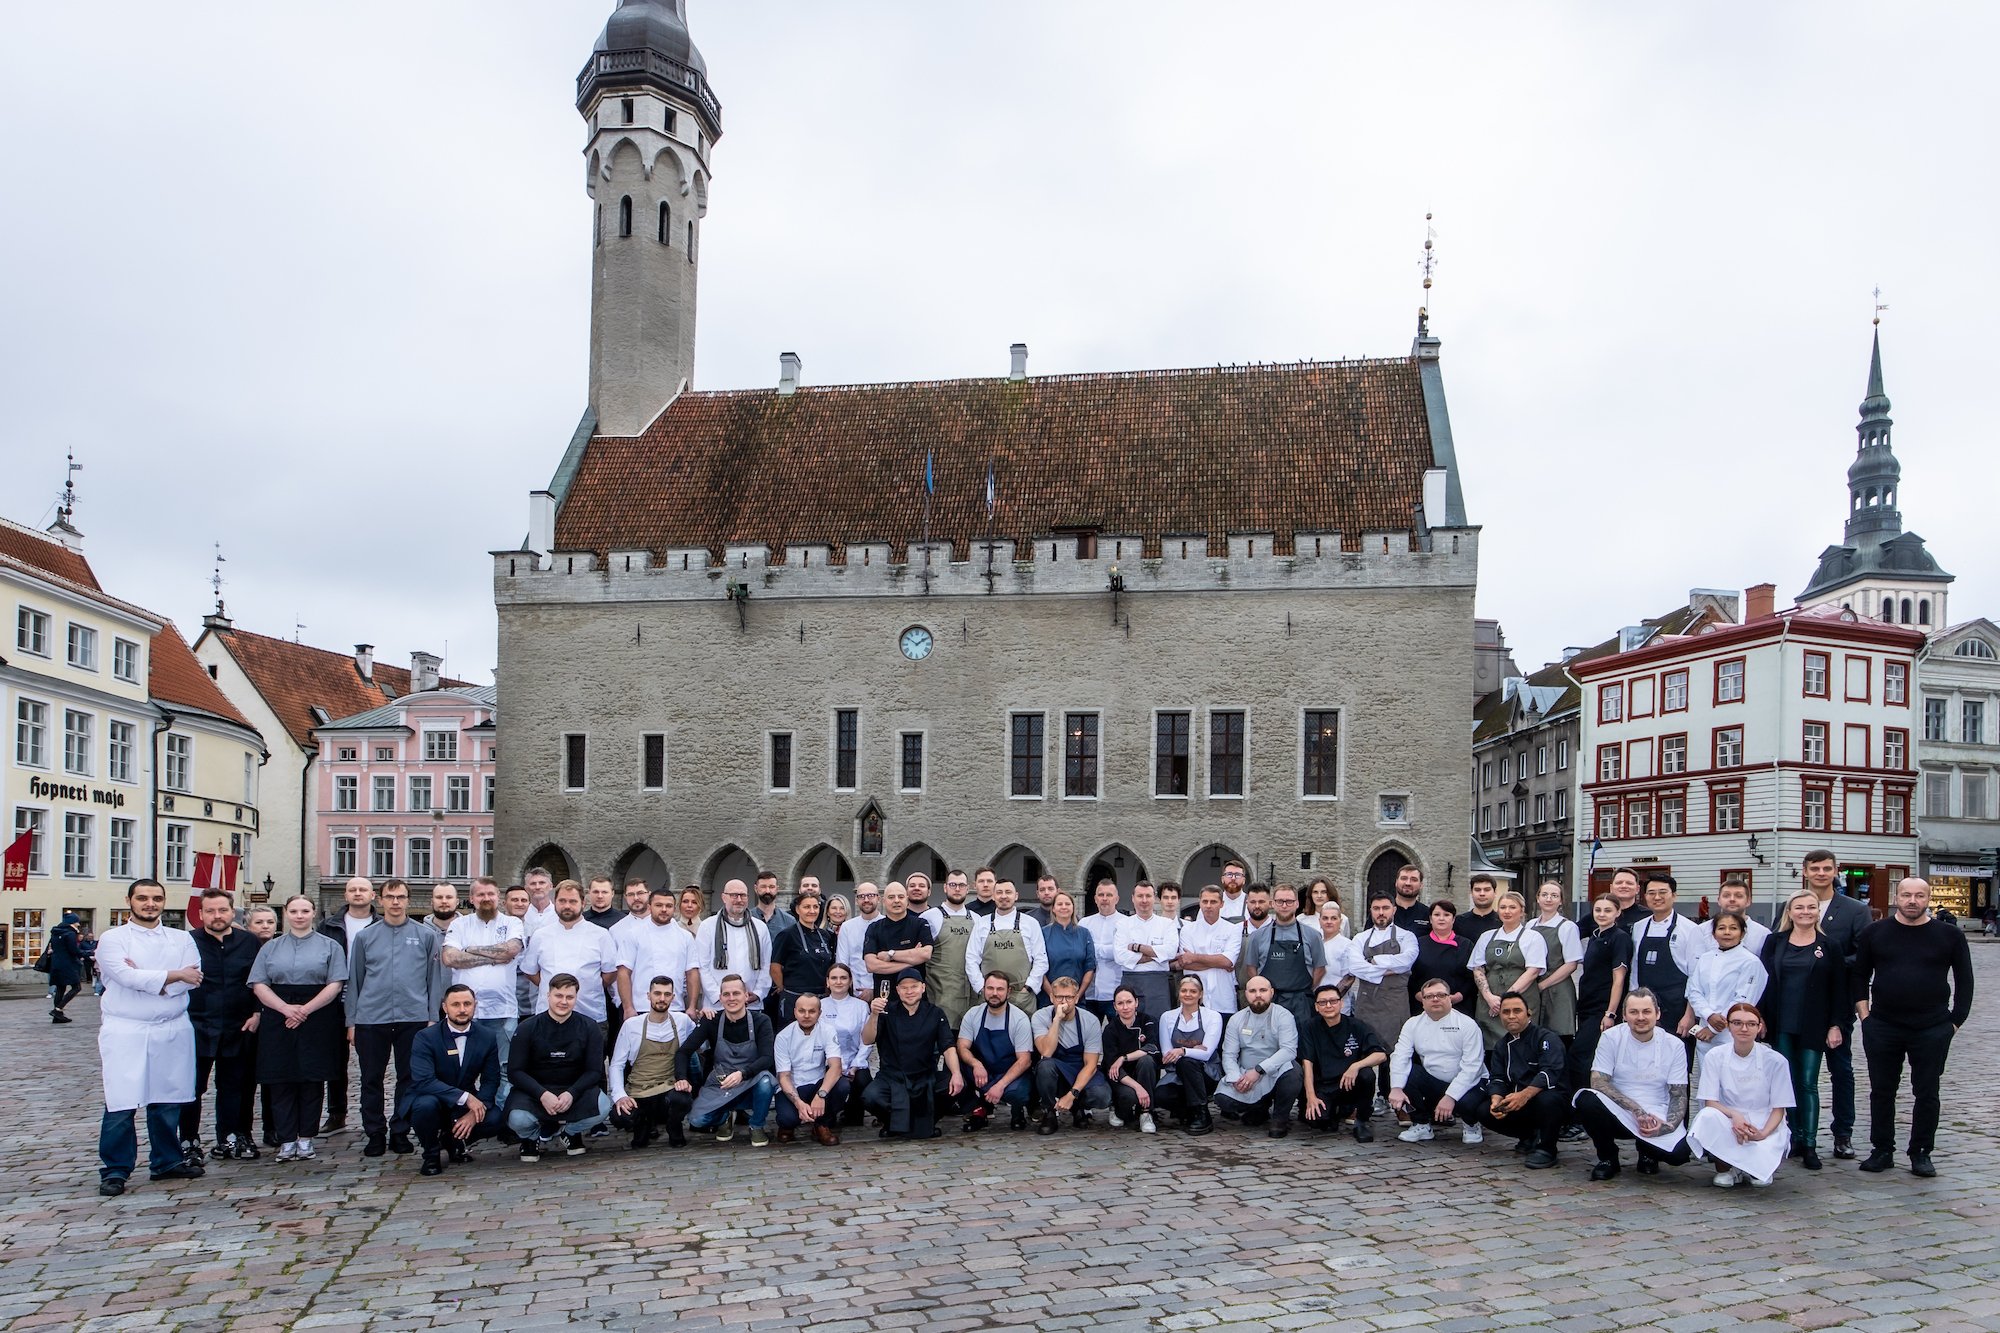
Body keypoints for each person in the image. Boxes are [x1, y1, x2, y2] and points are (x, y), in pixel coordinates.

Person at [1853, 877, 1974, 1178]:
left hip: (1932, 1026)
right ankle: (1882, 1150)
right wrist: (1865, 1018)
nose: (1912, 901)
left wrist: (1955, 1022)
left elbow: (1965, 980)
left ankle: (1921, 1152)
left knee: (1927, 1091)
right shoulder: (1874, 932)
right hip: (1883, 1024)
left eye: (1919, 895)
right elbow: (1858, 976)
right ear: (1897, 897)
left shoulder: (1949, 935)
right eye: (1906, 895)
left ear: (1928, 899)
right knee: (1882, 1090)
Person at [94, 879, 205, 1196]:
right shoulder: (113, 939)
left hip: (171, 1027)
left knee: (168, 1099)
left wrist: (150, 977)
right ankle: (116, 1169)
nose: (150, 904)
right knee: (121, 1101)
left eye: (156, 898)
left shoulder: (181, 938)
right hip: (126, 1028)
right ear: (129, 900)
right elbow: (124, 976)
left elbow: (193, 977)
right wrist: (172, 974)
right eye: (142, 898)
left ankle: (167, 1161)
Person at [346, 878, 446, 1158]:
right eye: (390, 897)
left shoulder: (425, 935)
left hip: (413, 1017)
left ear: (408, 900)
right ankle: (375, 1132)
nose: (395, 902)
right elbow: (355, 980)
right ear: (380, 900)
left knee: (409, 1077)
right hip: (372, 1017)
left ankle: (400, 1130)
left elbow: (434, 979)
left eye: (400, 897)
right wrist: (352, 1021)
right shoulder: (365, 937)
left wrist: (431, 1017)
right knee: (371, 1078)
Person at [250, 895, 350, 1163]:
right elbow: (259, 983)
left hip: (317, 1015)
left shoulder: (330, 946)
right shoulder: (270, 948)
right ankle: (285, 1139)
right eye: (294, 911)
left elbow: (335, 983)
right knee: (280, 1079)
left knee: (311, 1079)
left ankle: (306, 1137)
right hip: (278, 1014)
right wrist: (285, 1008)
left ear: (313, 913)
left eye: (305, 911)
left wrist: (304, 1010)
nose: (299, 916)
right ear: (286, 913)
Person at [1758, 889, 1850, 1172]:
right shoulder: (1775, 942)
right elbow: (1763, 982)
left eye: (1811, 907)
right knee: (1786, 1082)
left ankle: (1809, 1143)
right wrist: (1760, 1017)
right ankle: (1794, 1137)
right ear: (1790, 912)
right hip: (1781, 1022)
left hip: (1814, 1023)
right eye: (1799, 907)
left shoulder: (1829, 945)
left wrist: (1836, 1024)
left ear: (1818, 912)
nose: (1806, 912)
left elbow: (1840, 989)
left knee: (1808, 1082)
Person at [1573, 989, 1694, 1181]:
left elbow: (1678, 1094)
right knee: (1587, 1100)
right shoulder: (1611, 1037)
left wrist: (1666, 1127)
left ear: (1657, 1014)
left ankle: (1647, 1153)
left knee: (1679, 1155)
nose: (1640, 1017)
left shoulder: (1674, 1045)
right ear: (1624, 1015)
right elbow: (1598, 1082)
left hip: (1657, 1112)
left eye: (1646, 1011)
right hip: (1619, 1110)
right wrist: (1637, 1111)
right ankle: (1607, 1158)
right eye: (1634, 1012)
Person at [182, 888, 262, 1163]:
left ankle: (231, 1136)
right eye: (211, 911)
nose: (217, 915)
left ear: (232, 911)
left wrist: (257, 1012)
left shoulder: (249, 942)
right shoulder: (187, 942)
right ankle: (188, 1140)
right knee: (191, 1088)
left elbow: (259, 980)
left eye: (222, 910)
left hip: (239, 1025)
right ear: (201, 913)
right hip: (197, 1025)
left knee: (235, 1086)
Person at [1803, 850, 1871, 1160]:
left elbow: (1864, 955)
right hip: (1800, 1002)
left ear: (1835, 871)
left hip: (1837, 1002)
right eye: (1815, 868)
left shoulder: (1855, 910)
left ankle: (1843, 1132)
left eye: (1826, 868)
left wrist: (1828, 963)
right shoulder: (1794, 905)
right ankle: (1798, 1132)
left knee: (1841, 1070)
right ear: (1806, 871)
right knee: (1797, 1072)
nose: (1821, 873)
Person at [1685, 1002, 1794, 1189]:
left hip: (1763, 1120)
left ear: (1759, 1027)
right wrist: (1734, 1115)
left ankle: (1754, 1167)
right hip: (1729, 1118)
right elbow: (1710, 1101)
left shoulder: (1776, 1061)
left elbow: (1779, 1108)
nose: (1744, 1029)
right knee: (1707, 1116)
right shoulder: (1715, 1056)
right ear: (1728, 1026)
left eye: (1751, 1024)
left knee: (1760, 1179)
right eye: (1737, 1023)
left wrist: (1762, 1134)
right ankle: (1725, 1169)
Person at [506, 974, 612, 1159]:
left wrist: (572, 1093)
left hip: (574, 1090)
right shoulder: (527, 1028)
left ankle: (570, 1132)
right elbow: (515, 1072)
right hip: (536, 1091)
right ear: (548, 995)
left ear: (576, 998)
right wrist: (542, 1094)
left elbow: (594, 1071)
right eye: (558, 996)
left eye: (569, 997)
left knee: (603, 1106)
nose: (563, 1002)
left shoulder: (589, 1027)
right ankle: (530, 1137)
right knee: (516, 1118)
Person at [442, 877, 527, 1108]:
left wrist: (470, 950)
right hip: (466, 1013)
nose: (486, 898)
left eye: (490, 894)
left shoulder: (512, 923)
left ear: (498, 897)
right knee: (462, 1067)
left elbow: (510, 950)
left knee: (504, 1068)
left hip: (503, 1011)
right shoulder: (460, 924)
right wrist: (493, 957)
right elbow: (450, 958)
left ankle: (500, 1114)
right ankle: (464, 1113)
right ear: (471, 899)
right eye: (480, 894)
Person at [406, 984, 504, 1177]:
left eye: (467, 1004)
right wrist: (466, 1098)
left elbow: (491, 1080)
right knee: (425, 1107)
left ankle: (454, 1140)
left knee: (496, 1118)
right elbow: (424, 1080)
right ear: (445, 1007)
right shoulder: (425, 1037)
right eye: (455, 1004)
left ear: (475, 1005)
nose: (462, 1009)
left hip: (463, 1104)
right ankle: (431, 1154)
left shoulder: (487, 1036)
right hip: (430, 1098)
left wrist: (474, 1112)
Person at [861, 968, 964, 1139]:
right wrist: (874, 1015)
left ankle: (925, 1123)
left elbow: (948, 1047)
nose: (909, 991)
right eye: (904, 988)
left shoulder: (935, 1013)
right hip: (892, 1076)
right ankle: (892, 1124)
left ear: (923, 988)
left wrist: (956, 1073)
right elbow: (867, 1039)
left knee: (955, 1086)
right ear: (897, 990)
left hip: (925, 1076)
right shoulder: (886, 1011)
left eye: (914, 987)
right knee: (870, 1096)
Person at [681, 975, 779, 1146]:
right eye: (726, 994)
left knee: (766, 1082)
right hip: (721, 1084)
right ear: (720, 998)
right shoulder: (711, 1021)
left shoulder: (761, 1021)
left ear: (746, 996)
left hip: (751, 1080)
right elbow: (684, 1051)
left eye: (736, 993)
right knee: (697, 1120)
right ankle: (725, 1116)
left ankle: (756, 1125)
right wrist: (681, 1077)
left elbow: (767, 1058)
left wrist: (743, 1073)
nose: (731, 998)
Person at [1472, 993, 1568, 1167]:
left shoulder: (1546, 1038)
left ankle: (1547, 1149)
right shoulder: (1501, 1045)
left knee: (1547, 1100)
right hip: (1517, 1100)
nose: (1511, 1016)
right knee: (1484, 1111)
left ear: (1528, 1013)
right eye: (1506, 1012)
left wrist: (1524, 1095)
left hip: (1549, 1099)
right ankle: (1529, 1136)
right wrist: (1496, 1100)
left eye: (1517, 1011)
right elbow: (1497, 1078)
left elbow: (1550, 1072)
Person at [1388, 978, 1488, 1145]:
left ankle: (1471, 1124)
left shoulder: (1467, 1024)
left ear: (1450, 998)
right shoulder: (1412, 1024)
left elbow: (1473, 1067)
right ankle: (1421, 1123)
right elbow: (1400, 1056)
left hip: (1471, 1083)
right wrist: (1396, 1088)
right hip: (1434, 1081)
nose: (1435, 999)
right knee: (1405, 1074)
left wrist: (1451, 1097)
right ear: (1422, 1001)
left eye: (1441, 995)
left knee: (1468, 1103)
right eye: (1429, 996)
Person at [314, 875, 378, 1134]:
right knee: (335, 1060)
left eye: (363, 889)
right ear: (346, 895)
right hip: (335, 996)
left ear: (373, 895)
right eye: (353, 889)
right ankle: (337, 1113)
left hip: (370, 996)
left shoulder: (380, 924)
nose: (358, 893)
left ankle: (371, 1116)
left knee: (371, 1061)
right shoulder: (329, 925)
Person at [1628, 873, 1712, 1065]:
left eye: (1662, 892)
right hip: (1646, 1007)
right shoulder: (1639, 927)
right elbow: (1634, 970)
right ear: (1645, 896)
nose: (1657, 897)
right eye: (1651, 893)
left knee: (1677, 1063)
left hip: (1677, 1008)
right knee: (1644, 1060)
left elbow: (1696, 976)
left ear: (1674, 895)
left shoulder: (1690, 929)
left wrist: (1689, 1016)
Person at [1567, 894, 1634, 1129]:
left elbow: (1619, 979)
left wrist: (1611, 1013)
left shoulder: (1619, 938)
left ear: (1617, 913)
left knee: (1579, 1057)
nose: (1602, 914)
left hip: (1602, 1008)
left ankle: (1580, 1117)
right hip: (1586, 1005)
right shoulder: (1596, 936)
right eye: (1598, 910)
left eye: (1607, 910)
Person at [608, 975, 694, 1150]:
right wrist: (620, 1096)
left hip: (669, 1086)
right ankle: (642, 1125)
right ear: (648, 996)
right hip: (639, 1089)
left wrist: (708, 1016)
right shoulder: (631, 1025)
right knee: (620, 1117)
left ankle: (674, 1126)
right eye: (657, 993)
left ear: (673, 997)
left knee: (682, 1100)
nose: (662, 998)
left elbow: (701, 1042)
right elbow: (617, 1064)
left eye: (667, 994)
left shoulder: (682, 1021)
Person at [1213, 976, 1303, 1137]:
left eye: (1263, 990)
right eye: (1253, 991)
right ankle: (1259, 1108)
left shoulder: (1283, 1016)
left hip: (1275, 1072)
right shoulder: (1236, 1019)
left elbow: (1289, 1050)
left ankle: (1280, 1119)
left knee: (1293, 1071)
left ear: (1272, 992)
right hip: (1246, 1074)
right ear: (1246, 994)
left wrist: (1259, 1070)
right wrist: (1236, 1078)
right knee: (1223, 1100)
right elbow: (1229, 1054)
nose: (1258, 995)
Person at [1299, 983, 1387, 1142]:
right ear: (1316, 1007)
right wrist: (1311, 1096)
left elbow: (1380, 1055)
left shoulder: (1357, 1026)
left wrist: (1356, 1065)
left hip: (1350, 1083)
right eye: (1322, 1002)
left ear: (1341, 1003)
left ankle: (1361, 1121)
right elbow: (1307, 1064)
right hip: (1324, 1085)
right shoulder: (1309, 1027)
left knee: (1366, 1075)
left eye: (1333, 1001)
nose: (1328, 1006)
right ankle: (1335, 1113)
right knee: (1317, 1122)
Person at [522, 881, 618, 1027]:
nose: (567, 906)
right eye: (562, 901)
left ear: (583, 903)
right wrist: (550, 985)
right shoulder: (541, 935)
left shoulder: (601, 935)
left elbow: (610, 973)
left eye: (573, 901)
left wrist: (591, 986)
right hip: (548, 1015)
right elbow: (530, 971)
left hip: (590, 1013)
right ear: (555, 902)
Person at [1683, 911, 1767, 1066]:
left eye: (1733, 928)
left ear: (1742, 933)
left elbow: (1744, 999)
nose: (1727, 932)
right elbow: (1694, 991)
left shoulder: (1750, 962)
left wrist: (1714, 1029)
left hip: (1734, 1032)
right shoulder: (1705, 958)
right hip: (1704, 1030)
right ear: (1714, 934)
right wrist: (1708, 1015)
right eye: (1721, 928)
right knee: (1708, 1076)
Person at [1031, 976, 1113, 1133]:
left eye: (1068, 997)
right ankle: (1049, 1113)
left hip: (1080, 1070)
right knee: (1045, 1066)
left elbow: (1091, 1064)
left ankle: (1077, 1107)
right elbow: (1046, 1052)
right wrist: (1056, 1020)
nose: (1063, 1002)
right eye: (1059, 997)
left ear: (1076, 998)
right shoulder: (1040, 1017)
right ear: (1051, 997)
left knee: (1102, 1096)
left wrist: (1072, 1095)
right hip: (1056, 1071)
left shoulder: (1090, 1020)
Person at [956, 971, 1033, 1132]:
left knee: (1018, 1093)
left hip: (1010, 1075)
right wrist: (976, 1064)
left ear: (1008, 992)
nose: (994, 993)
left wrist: (1000, 1085)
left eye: (1000, 989)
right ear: (984, 989)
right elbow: (962, 1046)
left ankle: (1017, 1111)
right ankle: (978, 1110)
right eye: (990, 988)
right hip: (984, 1072)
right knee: (954, 1068)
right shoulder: (973, 1014)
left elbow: (1025, 1060)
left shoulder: (1019, 1019)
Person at [1243, 883, 1326, 1031]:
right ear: (1273, 904)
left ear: (1297, 904)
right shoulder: (1257, 937)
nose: (1284, 905)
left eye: (1289, 901)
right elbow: (1251, 968)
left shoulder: (1313, 936)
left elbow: (1320, 969)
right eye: (1280, 901)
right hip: (1269, 1003)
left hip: (1302, 1004)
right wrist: (1264, 993)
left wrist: (1304, 990)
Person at [1470, 890, 1547, 1049]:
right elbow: (1478, 969)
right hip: (1489, 1001)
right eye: (1503, 907)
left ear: (1522, 911)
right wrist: (1489, 997)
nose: (1507, 911)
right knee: (1489, 1046)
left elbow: (1532, 972)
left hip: (1522, 998)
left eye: (1512, 907)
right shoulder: (1487, 936)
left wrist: (1506, 1000)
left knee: (1520, 1043)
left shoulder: (1532, 937)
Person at [773, 993, 847, 1145]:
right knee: (788, 1118)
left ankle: (821, 1125)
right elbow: (783, 1076)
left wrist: (821, 1095)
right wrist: (798, 1103)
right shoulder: (783, 1036)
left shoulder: (827, 1030)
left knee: (843, 1086)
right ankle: (787, 1127)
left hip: (817, 1083)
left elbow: (836, 1066)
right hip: (793, 1085)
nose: (806, 1015)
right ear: (795, 1012)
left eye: (812, 1011)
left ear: (819, 1013)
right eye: (802, 1011)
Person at [965, 880, 1048, 1015]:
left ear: (1016, 896)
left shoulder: (1031, 923)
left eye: (1008, 892)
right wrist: (982, 988)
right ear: (993, 896)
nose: (1004, 896)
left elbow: (1041, 960)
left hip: (1022, 998)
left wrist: (1028, 988)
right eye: (999, 892)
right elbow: (971, 959)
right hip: (990, 997)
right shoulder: (982, 923)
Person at [1349, 896, 1419, 1049]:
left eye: (1385, 908)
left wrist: (1374, 960)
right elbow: (1355, 967)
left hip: (1395, 1004)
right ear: (1371, 911)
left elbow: (1406, 962)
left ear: (1394, 910)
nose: (1381, 912)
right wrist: (1391, 969)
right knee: (1366, 1048)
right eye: (1376, 908)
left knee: (1396, 1050)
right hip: (1367, 1004)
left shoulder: (1407, 936)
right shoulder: (1360, 938)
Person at [1158, 976, 1224, 1134]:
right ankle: (1187, 1111)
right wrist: (1196, 1049)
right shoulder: (1167, 1017)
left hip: (1207, 1073)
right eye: (1184, 990)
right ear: (1179, 993)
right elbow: (1167, 1055)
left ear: (1200, 994)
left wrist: (1182, 1051)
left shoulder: (1213, 1016)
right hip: (1177, 1072)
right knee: (1161, 1095)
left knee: (1187, 1062)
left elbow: (1207, 1054)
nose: (1188, 994)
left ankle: (1201, 1113)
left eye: (1193, 991)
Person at [616, 887, 693, 1020]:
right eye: (659, 905)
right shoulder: (633, 934)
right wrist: (628, 1007)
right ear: (649, 907)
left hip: (675, 1007)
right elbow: (623, 972)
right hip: (640, 1007)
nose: (664, 909)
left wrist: (691, 1006)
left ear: (675, 909)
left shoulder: (685, 937)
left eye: (669, 906)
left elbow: (692, 972)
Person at [920, 869, 980, 1031]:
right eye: (953, 885)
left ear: (968, 888)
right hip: (940, 994)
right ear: (945, 887)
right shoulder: (929, 917)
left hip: (971, 995)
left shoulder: (977, 919)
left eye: (961, 885)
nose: (957, 889)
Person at [1113, 881, 1179, 1023]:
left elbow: (1171, 952)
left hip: (1158, 983)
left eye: (1148, 896)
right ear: (1133, 898)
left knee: (1159, 1025)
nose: (1144, 900)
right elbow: (1120, 956)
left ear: (1154, 898)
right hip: (1131, 982)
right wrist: (1157, 954)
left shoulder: (1167, 924)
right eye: (1140, 896)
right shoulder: (1123, 924)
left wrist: (1137, 948)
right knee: (1130, 1026)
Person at [1177, 885, 1242, 1026]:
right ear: (1200, 902)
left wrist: (1195, 957)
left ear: (1222, 904)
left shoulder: (1233, 930)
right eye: (1205, 901)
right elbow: (1187, 963)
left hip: (1223, 999)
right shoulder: (1188, 930)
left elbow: (1227, 961)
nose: (1208, 906)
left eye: (1213, 902)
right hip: (1194, 1000)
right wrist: (1218, 961)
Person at [819, 964, 873, 1127]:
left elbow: (866, 1040)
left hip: (855, 1061)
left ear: (850, 982)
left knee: (864, 1081)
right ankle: (827, 1116)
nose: (838, 982)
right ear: (827, 982)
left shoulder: (861, 1006)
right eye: (834, 978)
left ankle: (853, 1115)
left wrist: (855, 1065)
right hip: (827, 1063)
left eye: (843, 978)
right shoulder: (820, 1005)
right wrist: (836, 1066)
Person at [1528, 881, 1582, 1043]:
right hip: (1533, 986)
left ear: (1561, 901)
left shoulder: (1567, 927)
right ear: (1538, 898)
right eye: (1544, 895)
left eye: (1554, 895)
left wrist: (1542, 985)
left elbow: (1571, 964)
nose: (1548, 899)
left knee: (1558, 1036)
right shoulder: (1530, 925)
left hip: (1558, 989)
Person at [1102, 985, 1160, 1133]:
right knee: (1129, 1096)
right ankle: (1117, 1108)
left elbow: (1152, 1047)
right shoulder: (1110, 1030)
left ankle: (1146, 1113)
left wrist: (1124, 1057)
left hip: (1143, 1072)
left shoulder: (1148, 1021)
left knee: (1147, 1061)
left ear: (1136, 1002)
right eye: (1120, 1003)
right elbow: (1112, 1066)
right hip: (1121, 1077)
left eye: (1129, 1002)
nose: (1125, 1007)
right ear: (1115, 1006)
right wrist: (1138, 1088)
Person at [861, 882, 935, 998]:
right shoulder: (874, 928)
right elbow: (872, 966)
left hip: (914, 997)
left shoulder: (920, 924)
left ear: (907, 900)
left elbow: (926, 954)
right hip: (884, 997)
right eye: (891, 897)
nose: (896, 901)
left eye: (901, 897)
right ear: (883, 901)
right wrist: (912, 960)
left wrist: (890, 955)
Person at [769, 889, 837, 1015]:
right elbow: (775, 966)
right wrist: (784, 989)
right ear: (797, 909)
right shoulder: (787, 935)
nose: (812, 911)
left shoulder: (825, 935)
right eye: (806, 907)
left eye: (815, 907)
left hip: (822, 998)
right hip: (795, 997)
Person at [1411, 901, 1476, 1018]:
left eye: (1446, 915)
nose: (1441, 918)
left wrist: (1459, 996)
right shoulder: (1418, 944)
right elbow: (1411, 975)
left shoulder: (1466, 945)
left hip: (1459, 1007)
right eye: (1437, 915)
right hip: (1423, 1007)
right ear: (1430, 919)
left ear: (1453, 919)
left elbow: (1472, 976)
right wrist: (1419, 995)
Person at [1039, 890, 1095, 1008]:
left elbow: (1090, 967)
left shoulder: (1084, 933)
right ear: (1053, 909)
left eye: (1067, 904)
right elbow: (1039, 967)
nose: (1064, 907)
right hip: (1048, 999)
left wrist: (1077, 996)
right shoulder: (1043, 933)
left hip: (1076, 999)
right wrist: (1053, 996)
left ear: (1073, 908)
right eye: (1060, 904)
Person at [1082, 878, 1128, 1019]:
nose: (1105, 899)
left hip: (1115, 991)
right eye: (1101, 895)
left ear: (1117, 899)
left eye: (1109, 895)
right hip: (1089, 992)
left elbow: (1121, 953)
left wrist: (1092, 949)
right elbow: (1081, 952)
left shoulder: (1126, 923)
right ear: (1095, 899)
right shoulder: (1084, 923)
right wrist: (1109, 950)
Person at [835, 882, 883, 998]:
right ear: (856, 901)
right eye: (861, 896)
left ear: (878, 899)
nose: (866, 900)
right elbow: (842, 962)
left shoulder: (888, 925)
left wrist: (874, 989)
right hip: (853, 993)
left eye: (870, 895)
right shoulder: (847, 927)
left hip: (881, 992)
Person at [1703, 876, 1771, 956]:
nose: (1732, 899)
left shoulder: (1763, 935)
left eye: (1739, 896)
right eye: (1726, 895)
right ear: (1719, 900)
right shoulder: (1701, 931)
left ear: (1748, 901)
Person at [48, 910, 86, 1023]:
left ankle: (57, 1017)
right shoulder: (70, 934)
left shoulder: (56, 932)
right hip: (67, 964)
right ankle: (57, 1010)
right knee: (76, 987)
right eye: (77, 922)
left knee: (60, 988)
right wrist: (87, 954)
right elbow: (73, 950)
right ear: (72, 922)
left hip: (56, 963)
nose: (78, 924)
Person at [751, 869, 798, 944]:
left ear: (777, 889)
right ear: (756, 888)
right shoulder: (748, 918)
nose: (767, 891)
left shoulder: (789, 920)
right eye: (763, 887)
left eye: (771, 887)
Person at [1455, 874, 1501, 945]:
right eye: (1477, 890)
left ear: (1495, 892)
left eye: (1487, 890)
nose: (1482, 893)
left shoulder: (1503, 922)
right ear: (1471, 892)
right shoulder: (1457, 922)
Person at [1389, 864, 1430, 936]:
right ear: (1396, 882)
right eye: (1404, 878)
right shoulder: (1382, 911)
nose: (1408, 883)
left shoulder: (1428, 914)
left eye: (1414, 880)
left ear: (1421, 885)